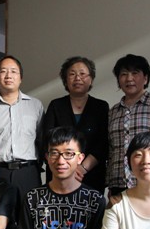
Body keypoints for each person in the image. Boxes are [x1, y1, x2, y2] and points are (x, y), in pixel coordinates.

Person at [106, 54, 150, 197]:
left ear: (145, 78)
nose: (129, 78)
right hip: (118, 184)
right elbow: (110, 150)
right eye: (123, 74)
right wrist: (109, 183)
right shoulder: (113, 111)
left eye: (135, 73)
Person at [0, 55, 45, 200]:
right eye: (3, 71)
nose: (8, 75)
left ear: (21, 78)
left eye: (14, 71)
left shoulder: (35, 106)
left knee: (30, 213)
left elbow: (41, 140)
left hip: (28, 172)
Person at [43, 56, 109, 192]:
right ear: (65, 80)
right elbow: (47, 140)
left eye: (82, 74)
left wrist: (82, 168)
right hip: (59, 173)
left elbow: (103, 143)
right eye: (72, 74)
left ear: (91, 79)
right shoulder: (56, 106)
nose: (77, 78)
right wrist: (66, 167)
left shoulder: (101, 107)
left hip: (91, 175)